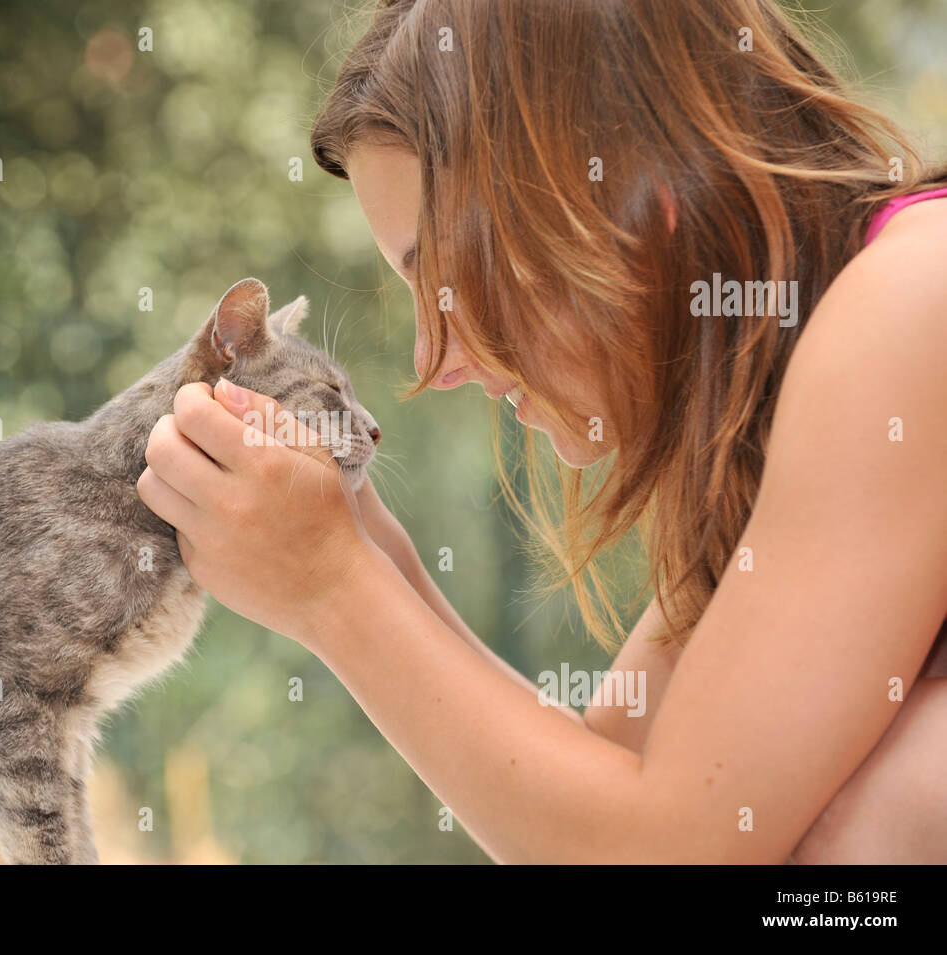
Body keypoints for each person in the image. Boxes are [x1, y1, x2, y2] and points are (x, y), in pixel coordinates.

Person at [136, 0, 947, 863]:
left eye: (448, 276)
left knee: (890, 798)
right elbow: (602, 788)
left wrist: (332, 591)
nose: (432, 361)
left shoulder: (913, 297)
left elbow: (666, 847)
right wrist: (365, 546)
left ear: (625, 195)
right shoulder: (765, 407)